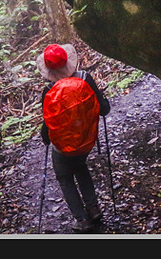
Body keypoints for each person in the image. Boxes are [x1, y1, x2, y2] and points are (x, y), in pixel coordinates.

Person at [37, 43, 111, 233]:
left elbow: (49, 123)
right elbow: (103, 109)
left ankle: (81, 219)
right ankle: (93, 208)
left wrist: (45, 138)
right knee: (80, 166)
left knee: (65, 177)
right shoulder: (85, 78)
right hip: (85, 141)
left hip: (62, 147)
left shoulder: (49, 90)